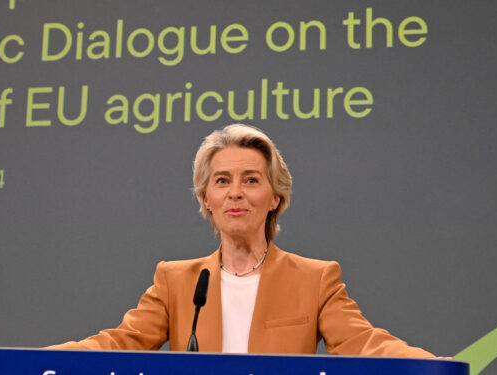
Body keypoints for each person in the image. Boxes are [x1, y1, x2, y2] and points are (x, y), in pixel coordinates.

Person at [49, 124, 434, 357]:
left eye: (251, 180)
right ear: (206, 200)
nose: (235, 193)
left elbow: (364, 343)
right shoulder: (177, 282)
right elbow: (121, 343)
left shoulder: (316, 280)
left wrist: (429, 364)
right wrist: (38, 361)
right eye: (222, 181)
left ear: (275, 198)